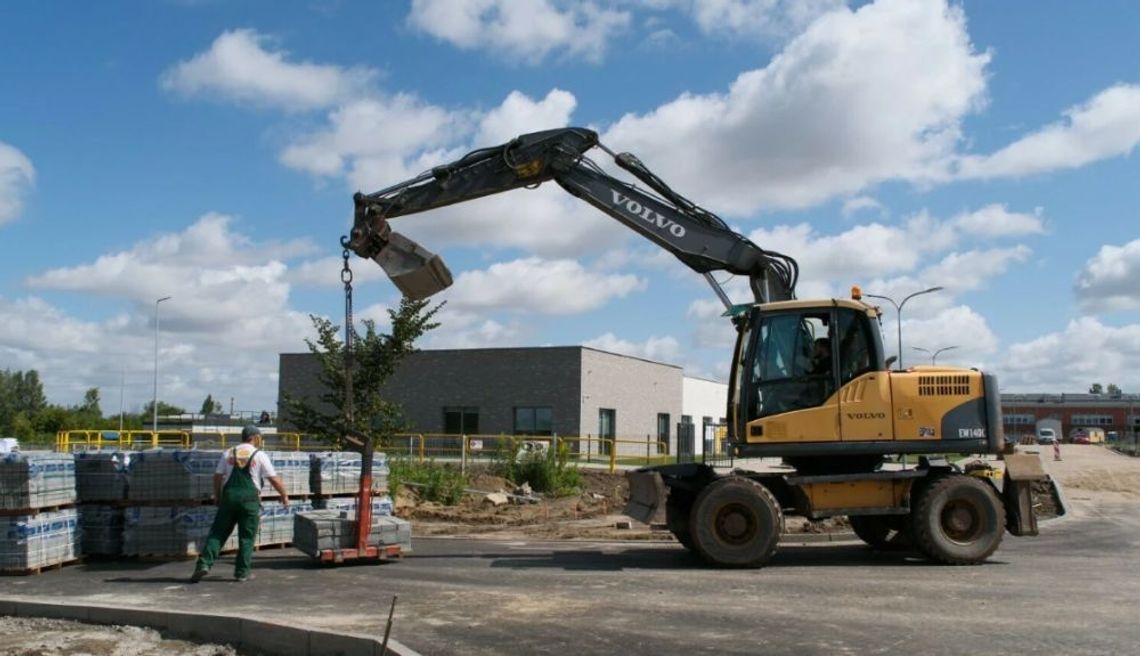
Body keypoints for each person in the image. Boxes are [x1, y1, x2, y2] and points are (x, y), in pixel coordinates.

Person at [190, 425, 288, 583]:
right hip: (249, 500)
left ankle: (203, 565)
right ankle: (242, 572)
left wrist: (217, 495)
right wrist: (284, 495)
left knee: (218, 533)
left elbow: (217, 476)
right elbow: (273, 479)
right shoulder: (259, 455)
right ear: (255, 438)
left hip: (229, 498)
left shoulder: (228, 452)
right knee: (246, 537)